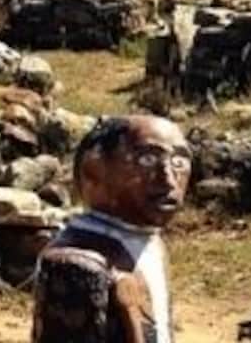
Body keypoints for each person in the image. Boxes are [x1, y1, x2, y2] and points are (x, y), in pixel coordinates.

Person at [32, 115, 192, 343]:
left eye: (179, 162)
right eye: (147, 159)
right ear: (93, 173)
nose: (169, 179)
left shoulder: (151, 244)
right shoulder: (77, 265)